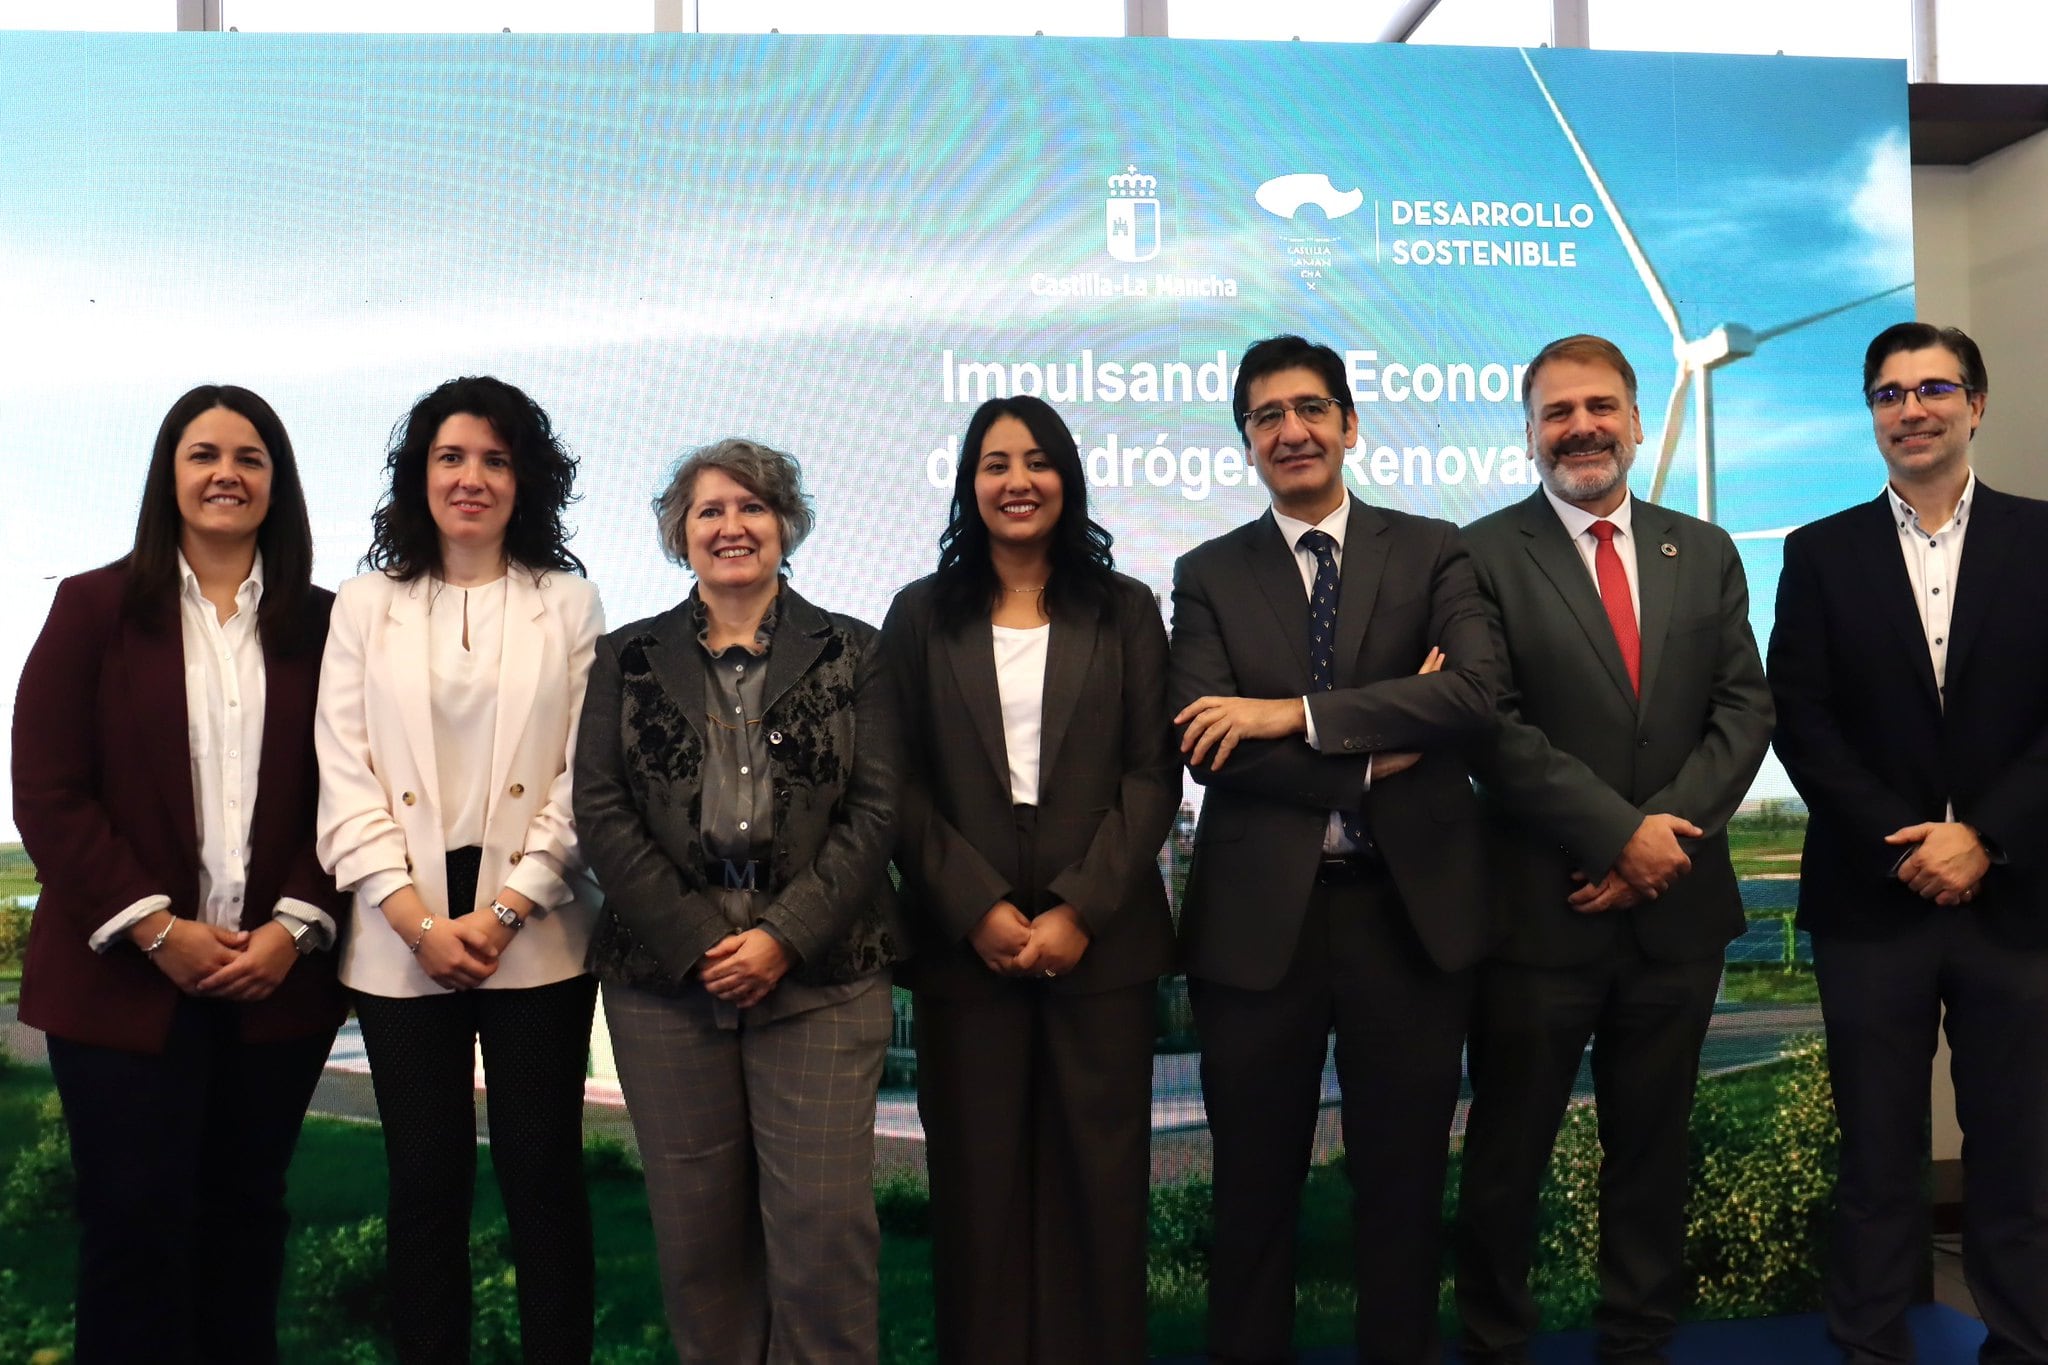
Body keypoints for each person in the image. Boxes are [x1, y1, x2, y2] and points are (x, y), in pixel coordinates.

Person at [1167, 334, 1497, 1363]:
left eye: (1310, 408)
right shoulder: (1208, 574)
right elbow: (1205, 739)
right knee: (1251, 1191)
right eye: (1265, 416)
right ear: (1246, 443)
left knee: (1402, 1186)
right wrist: (1375, 753)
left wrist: (1288, 716)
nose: (1290, 430)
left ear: (1349, 424)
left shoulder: (1432, 549)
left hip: (1408, 915)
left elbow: (1471, 694)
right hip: (1258, 926)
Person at [1454, 334, 1773, 1364]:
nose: (1580, 427)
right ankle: (1495, 1341)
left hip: (1675, 911)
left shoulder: (1704, 550)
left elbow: (1742, 709)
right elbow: (1489, 724)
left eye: (1599, 407)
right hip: (1538, 913)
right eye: (1556, 412)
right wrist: (1613, 835)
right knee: (1507, 1155)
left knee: (1652, 1148)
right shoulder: (1477, 555)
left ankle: (1637, 1338)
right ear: (1528, 433)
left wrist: (1657, 842)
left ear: (1636, 420)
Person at [12, 384, 346, 1364]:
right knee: (134, 1234)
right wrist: (157, 929)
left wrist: (292, 928)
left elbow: (357, 788)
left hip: (275, 985)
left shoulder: (327, 625)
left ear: (277, 482)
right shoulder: (94, 607)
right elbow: (48, 788)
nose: (225, 474)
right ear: (169, 475)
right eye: (203, 454)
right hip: (120, 984)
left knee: (245, 1228)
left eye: (249, 457)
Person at [574, 438, 903, 1365]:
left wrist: (783, 937)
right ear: (680, 533)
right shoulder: (625, 657)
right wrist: (698, 939)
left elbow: (877, 808)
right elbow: (600, 809)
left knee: (824, 1232)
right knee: (701, 1243)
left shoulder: (855, 650)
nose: (732, 526)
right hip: (666, 983)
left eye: (753, 506)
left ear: (785, 524)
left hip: (825, 974)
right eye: (709, 510)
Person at [1769, 322, 2048, 1365]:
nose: (1910, 409)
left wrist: (1984, 836)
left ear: (1975, 404)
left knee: (2018, 1157)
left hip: (2016, 897)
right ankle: (1871, 1345)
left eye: (1933, 388)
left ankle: (2023, 1343)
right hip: (1869, 901)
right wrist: (1905, 847)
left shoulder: (2042, 538)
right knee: (1877, 1159)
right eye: (1888, 393)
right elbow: (1801, 720)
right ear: (1871, 414)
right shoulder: (1817, 552)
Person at [881, 395, 1177, 1364]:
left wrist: (1080, 908)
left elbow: (1151, 774)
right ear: (968, 484)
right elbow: (895, 780)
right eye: (996, 463)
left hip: (1102, 945)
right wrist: (974, 907)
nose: (1018, 481)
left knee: (1102, 1187)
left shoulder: (1124, 607)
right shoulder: (920, 614)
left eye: (1038, 461)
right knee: (978, 1195)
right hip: (965, 949)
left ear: (1067, 478)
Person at [315, 375, 604, 1364]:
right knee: (425, 1185)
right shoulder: (365, 604)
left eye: (494, 458)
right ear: (419, 474)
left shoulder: (568, 603)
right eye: (450, 456)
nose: (471, 477)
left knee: (543, 1179)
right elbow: (344, 770)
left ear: (525, 480)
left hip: (539, 933)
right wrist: (417, 922)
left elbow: (583, 775)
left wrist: (509, 907)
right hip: (400, 941)